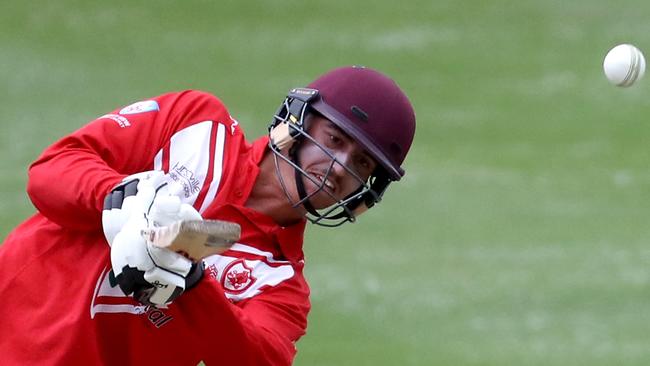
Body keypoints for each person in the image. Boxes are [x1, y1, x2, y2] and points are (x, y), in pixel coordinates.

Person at [0, 66, 416, 365]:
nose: (340, 167)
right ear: (296, 122)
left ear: (368, 191)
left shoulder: (281, 287)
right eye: (334, 139)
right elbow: (50, 171)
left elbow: (258, 359)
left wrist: (192, 284)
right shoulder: (196, 125)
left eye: (362, 164)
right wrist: (123, 200)